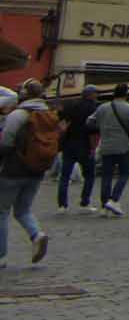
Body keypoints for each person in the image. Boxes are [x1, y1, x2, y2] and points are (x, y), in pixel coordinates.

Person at [0, 81, 56, 268]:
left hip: (13, 170)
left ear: (24, 94)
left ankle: (1, 256)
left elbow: (6, 143)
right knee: (23, 209)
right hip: (37, 170)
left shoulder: (18, 115)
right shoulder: (48, 114)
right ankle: (36, 234)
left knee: (2, 211)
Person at [88, 83, 129, 217]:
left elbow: (89, 121)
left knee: (106, 176)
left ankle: (104, 206)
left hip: (106, 145)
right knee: (124, 174)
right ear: (126, 94)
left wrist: (101, 127)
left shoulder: (102, 107)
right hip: (124, 146)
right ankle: (114, 199)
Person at [53, 86, 98, 214]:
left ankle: (62, 205)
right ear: (91, 95)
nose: (97, 96)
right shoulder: (93, 108)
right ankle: (84, 203)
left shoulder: (72, 105)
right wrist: (93, 146)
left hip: (69, 144)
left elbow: (60, 118)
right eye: (95, 93)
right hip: (85, 144)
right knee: (89, 175)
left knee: (64, 176)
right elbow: (94, 129)